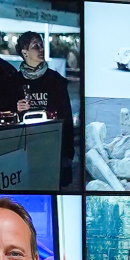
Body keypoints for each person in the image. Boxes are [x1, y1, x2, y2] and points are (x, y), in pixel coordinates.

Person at [13, 30, 78, 185]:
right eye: (36, 46)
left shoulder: (55, 81)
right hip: (24, 151)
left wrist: (67, 154)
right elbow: (5, 114)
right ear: (25, 52)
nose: (41, 49)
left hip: (51, 149)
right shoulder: (13, 82)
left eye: (42, 45)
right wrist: (16, 108)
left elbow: (67, 118)